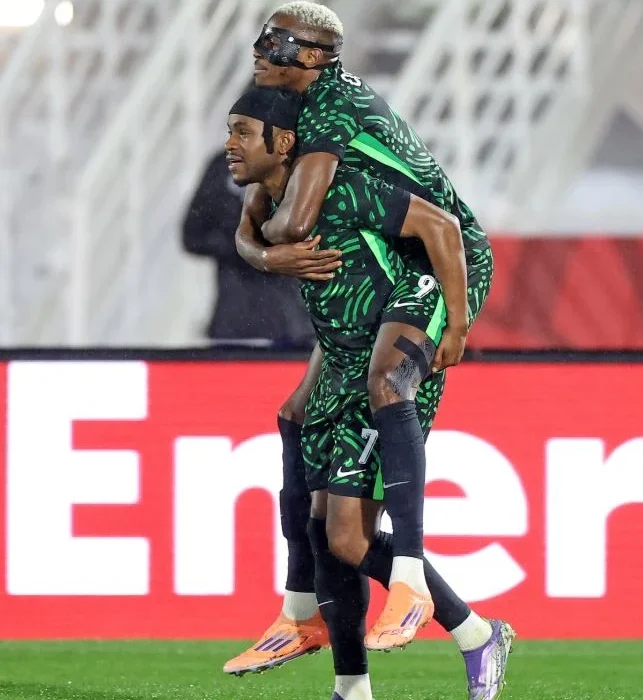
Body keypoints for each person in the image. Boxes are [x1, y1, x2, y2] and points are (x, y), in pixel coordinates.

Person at [223, 84, 513, 700]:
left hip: (388, 348)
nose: (230, 144)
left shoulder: (344, 188)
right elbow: (243, 237)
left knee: (346, 536)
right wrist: (267, 258)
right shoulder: (268, 197)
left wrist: (457, 325)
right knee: (329, 525)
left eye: (243, 132)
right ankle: (352, 673)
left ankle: (435, 602)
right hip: (343, 351)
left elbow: (442, 227)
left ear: (283, 142)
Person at [181, 150, 315, 349]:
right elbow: (193, 235)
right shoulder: (225, 165)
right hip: (238, 322)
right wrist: (244, 243)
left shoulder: (307, 163)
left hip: (294, 326)